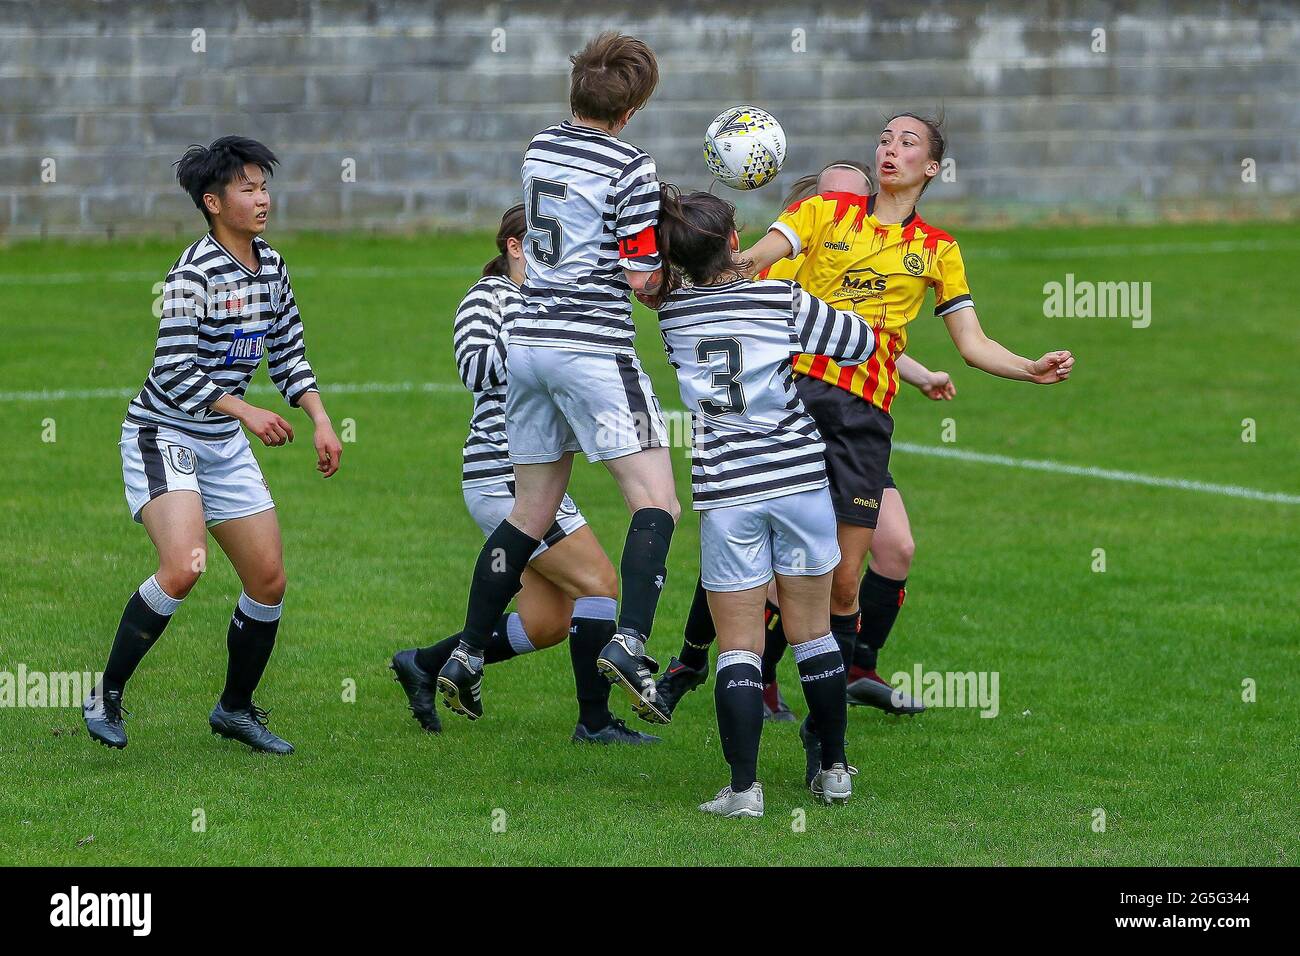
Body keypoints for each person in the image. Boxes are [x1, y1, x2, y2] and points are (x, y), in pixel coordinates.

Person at [740, 114, 1074, 731]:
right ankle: (756, 687)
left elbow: (971, 343)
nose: (891, 150)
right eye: (886, 140)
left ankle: (842, 682)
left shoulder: (938, 250)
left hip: (865, 418)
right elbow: (755, 260)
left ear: (932, 169)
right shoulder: (822, 216)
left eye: (907, 143)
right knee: (773, 554)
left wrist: (1029, 367)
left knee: (846, 578)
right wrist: (717, 258)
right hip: (796, 399)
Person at [435, 33, 682, 726]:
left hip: (529, 344)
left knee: (530, 511)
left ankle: (467, 653)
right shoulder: (632, 165)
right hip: (591, 348)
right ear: (630, 109)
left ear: (575, 91)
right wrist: (675, 269)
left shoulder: (539, 148)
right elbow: (640, 280)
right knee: (658, 501)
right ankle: (630, 643)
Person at [654, 161, 956, 721]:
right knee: (768, 562)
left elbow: (862, 331)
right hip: (795, 419)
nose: (845, 207)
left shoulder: (874, 251)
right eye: (832, 196)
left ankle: (858, 666)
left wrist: (919, 374)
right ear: (810, 203)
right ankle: (719, 670)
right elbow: (790, 321)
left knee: (895, 548)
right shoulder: (780, 261)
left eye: (856, 197)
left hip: (856, 422)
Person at [83, 136, 343, 755]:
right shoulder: (191, 273)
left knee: (269, 580)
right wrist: (248, 411)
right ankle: (105, 693)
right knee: (183, 566)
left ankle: (234, 709)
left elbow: (289, 354)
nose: (262, 199)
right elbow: (174, 370)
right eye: (248, 189)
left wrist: (321, 419)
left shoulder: (271, 267)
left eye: (264, 187)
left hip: (221, 439)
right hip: (164, 431)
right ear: (213, 202)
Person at [390, 206, 658, 744]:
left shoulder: (548, 303)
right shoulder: (487, 297)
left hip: (528, 471)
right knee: (599, 583)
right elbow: (474, 367)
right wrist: (541, 344)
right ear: (515, 247)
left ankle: (422, 663)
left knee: (546, 622)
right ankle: (595, 723)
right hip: (502, 471)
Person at [650, 185, 876, 816]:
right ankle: (834, 770)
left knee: (741, 646)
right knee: (813, 634)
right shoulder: (780, 297)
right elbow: (858, 342)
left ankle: (745, 788)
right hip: (801, 479)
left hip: (727, 491)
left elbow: (652, 282)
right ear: (735, 241)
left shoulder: (673, 314)